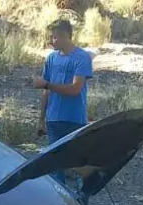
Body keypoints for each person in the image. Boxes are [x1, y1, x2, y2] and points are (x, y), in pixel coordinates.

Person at [33, 19, 93, 184]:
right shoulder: (51, 59)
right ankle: (61, 202)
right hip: (53, 120)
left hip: (74, 119)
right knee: (55, 164)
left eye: (54, 38)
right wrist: (41, 119)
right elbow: (46, 91)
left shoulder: (81, 57)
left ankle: (83, 198)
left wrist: (47, 84)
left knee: (78, 162)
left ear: (65, 36)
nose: (51, 41)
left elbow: (75, 89)